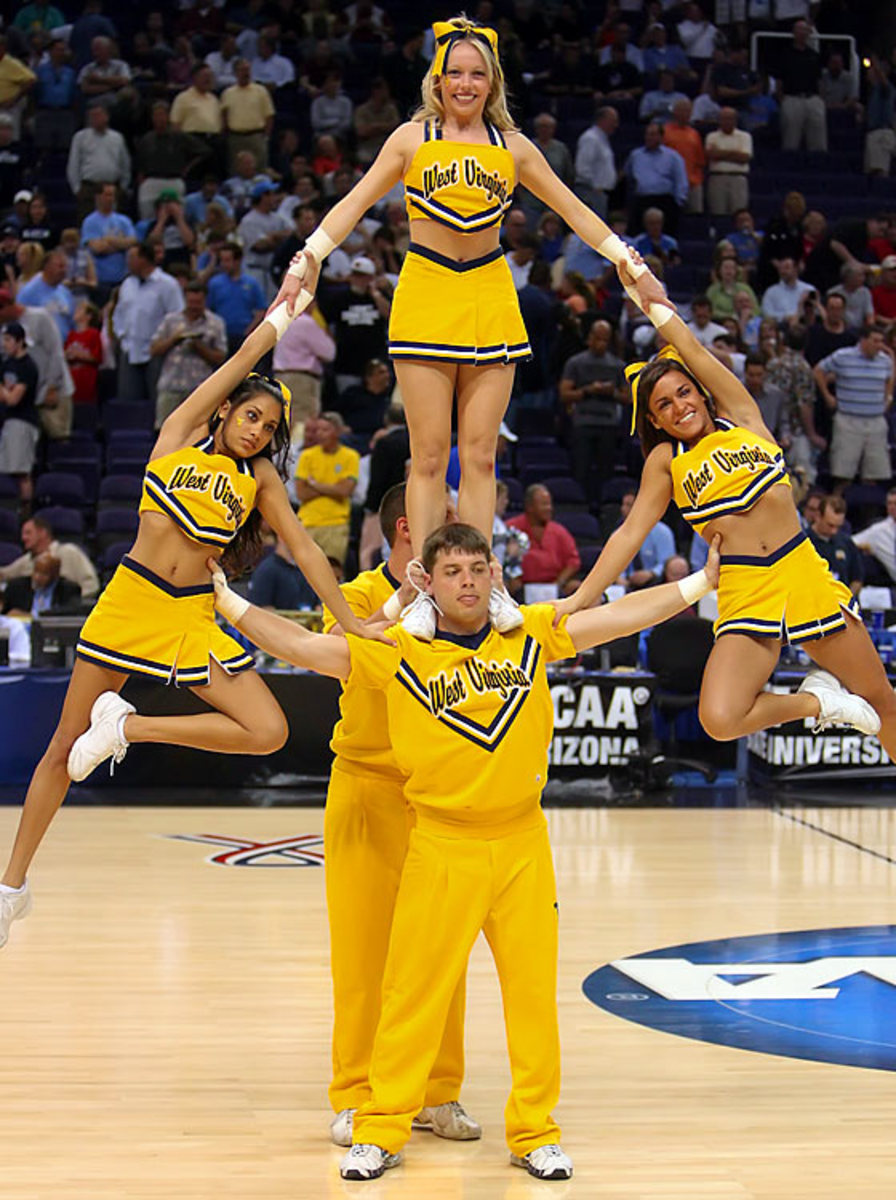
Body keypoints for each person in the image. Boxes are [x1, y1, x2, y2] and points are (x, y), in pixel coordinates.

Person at [206, 518, 723, 1182]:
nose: (468, 582)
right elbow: (306, 648)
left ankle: (535, 1131)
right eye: (452, 572)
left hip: (521, 843)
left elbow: (617, 618)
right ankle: (383, 1125)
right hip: (441, 842)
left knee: (532, 997)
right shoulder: (399, 651)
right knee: (411, 993)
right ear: (428, 581)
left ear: (495, 576)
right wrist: (226, 601)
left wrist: (703, 582)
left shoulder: (530, 636)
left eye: (478, 570)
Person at [0, 299, 387, 950]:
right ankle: (11, 889)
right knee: (64, 750)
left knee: (267, 730)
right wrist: (285, 311)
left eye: (268, 428)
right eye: (251, 416)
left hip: (190, 614)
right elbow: (240, 359)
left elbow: (306, 548)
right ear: (225, 410)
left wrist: (348, 621)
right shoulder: (177, 434)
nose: (258, 431)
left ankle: (129, 726)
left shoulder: (258, 476)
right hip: (131, 601)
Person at [269, 15, 666, 638]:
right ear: (437, 77)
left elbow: (575, 211)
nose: (465, 82)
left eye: (477, 73)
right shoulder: (409, 138)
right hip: (426, 289)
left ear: (492, 81)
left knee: (480, 457)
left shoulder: (513, 148)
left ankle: (485, 584)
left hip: (488, 292)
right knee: (427, 458)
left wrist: (629, 263)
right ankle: (427, 591)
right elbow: (350, 205)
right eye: (454, 71)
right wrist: (307, 260)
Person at [553, 259, 896, 766]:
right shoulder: (667, 461)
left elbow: (689, 347)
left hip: (800, 569)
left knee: (882, 699)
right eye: (663, 405)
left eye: (683, 392)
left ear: (700, 391)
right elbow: (628, 535)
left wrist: (650, 298)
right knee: (720, 716)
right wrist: (581, 598)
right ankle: (818, 701)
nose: (678, 407)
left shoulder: (743, 418)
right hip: (743, 585)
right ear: (653, 419)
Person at [318, 482, 481, 1149]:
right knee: (363, 954)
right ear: (410, 528)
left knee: (442, 955)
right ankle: (358, 1094)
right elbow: (337, 647)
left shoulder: (466, 608)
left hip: (438, 794)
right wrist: (403, 599)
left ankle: (436, 1093)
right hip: (365, 785)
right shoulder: (358, 595)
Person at [812, 323, 894, 494]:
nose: (880, 346)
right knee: (843, 476)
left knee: (873, 476)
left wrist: (888, 398)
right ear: (863, 340)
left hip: (875, 421)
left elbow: (889, 379)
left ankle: (868, 516)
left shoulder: (885, 360)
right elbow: (818, 370)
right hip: (848, 420)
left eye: (881, 341)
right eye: (875, 341)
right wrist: (827, 395)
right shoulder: (843, 356)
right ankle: (835, 509)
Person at [150, 278, 227, 427]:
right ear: (185, 299)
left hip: (200, 389)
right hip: (171, 386)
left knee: (198, 432)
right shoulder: (170, 321)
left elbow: (221, 357)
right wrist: (173, 340)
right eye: (191, 303)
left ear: (205, 300)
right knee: (164, 431)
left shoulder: (215, 323)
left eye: (198, 304)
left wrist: (199, 346)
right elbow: (153, 350)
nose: (194, 307)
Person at [295, 411, 359, 568]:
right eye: (318, 430)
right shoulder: (306, 456)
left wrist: (315, 485)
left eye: (325, 430)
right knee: (304, 575)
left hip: (336, 524)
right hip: (308, 523)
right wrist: (333, 488)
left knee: (333, 574)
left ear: (337, 431)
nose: (319, 434)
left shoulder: (350, 456)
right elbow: (301, 493)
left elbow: (345, 491)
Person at [506, 484, 581, 602]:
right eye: (544, 504)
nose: (549, 508)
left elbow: (573, 562)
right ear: (530, 507)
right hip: (520, 589)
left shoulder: (559, 531)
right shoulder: (511, 528)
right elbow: (502, 558)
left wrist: (558, 583)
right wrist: (513, 578)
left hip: (554, 587)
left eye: (550, 504)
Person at [0, 320, 40, 503]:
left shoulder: (28, 366)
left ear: (20, 341)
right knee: (7, 471)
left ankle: (25, 514)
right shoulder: (6, 363)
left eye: (8, 339)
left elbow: (13, 399)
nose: (4, 344)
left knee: (21, 472)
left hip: (23, 422)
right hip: (7, 421)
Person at [808, 495, 863, 596]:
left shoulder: (846, 542)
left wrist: (847, 599)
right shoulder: (804, 541)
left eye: (838, 526)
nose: (834, 531)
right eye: (830, 525)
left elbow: (857, 579)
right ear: (818, 516)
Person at [2, 552, 81, 617]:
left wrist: (34, 615)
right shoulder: (16, 587)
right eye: (36, 571)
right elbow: (5, 613)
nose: (37, 577)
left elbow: (71, 613)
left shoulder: (69, 589)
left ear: (55, 575)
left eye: (44, 574)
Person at [852, 487, 896, 583]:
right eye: (889, 503)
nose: (892, 507)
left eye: (895, 503)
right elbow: (849, 542)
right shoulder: (878, 531)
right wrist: (863, 547)